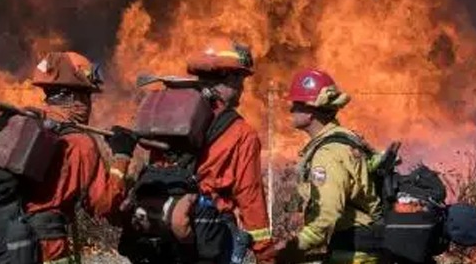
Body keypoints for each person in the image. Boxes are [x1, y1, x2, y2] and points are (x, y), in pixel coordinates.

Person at [119, 37, 274, 263]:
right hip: (206, 236)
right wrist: (265, 255)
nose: (242, 87)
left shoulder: (169, 118)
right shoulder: (241, 133)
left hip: (162, 230)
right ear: (228, 78)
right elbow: (251, 200)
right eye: (240, 78)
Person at [22, 51, 138, 264]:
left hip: (6, 239)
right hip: (47, 244)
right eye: (88, 96)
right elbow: (104, 205)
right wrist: (122, 155)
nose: (89, 105)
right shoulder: (79, 142)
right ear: (75, 98)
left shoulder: (25, 123)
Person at [274, 68, 383, 264]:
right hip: (362, 245)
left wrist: (295, 247)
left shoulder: (329, 153)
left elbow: (327, 213)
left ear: (310, 111)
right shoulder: (346, 140)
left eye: (297, 104)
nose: (291, 110)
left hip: (354, 252)